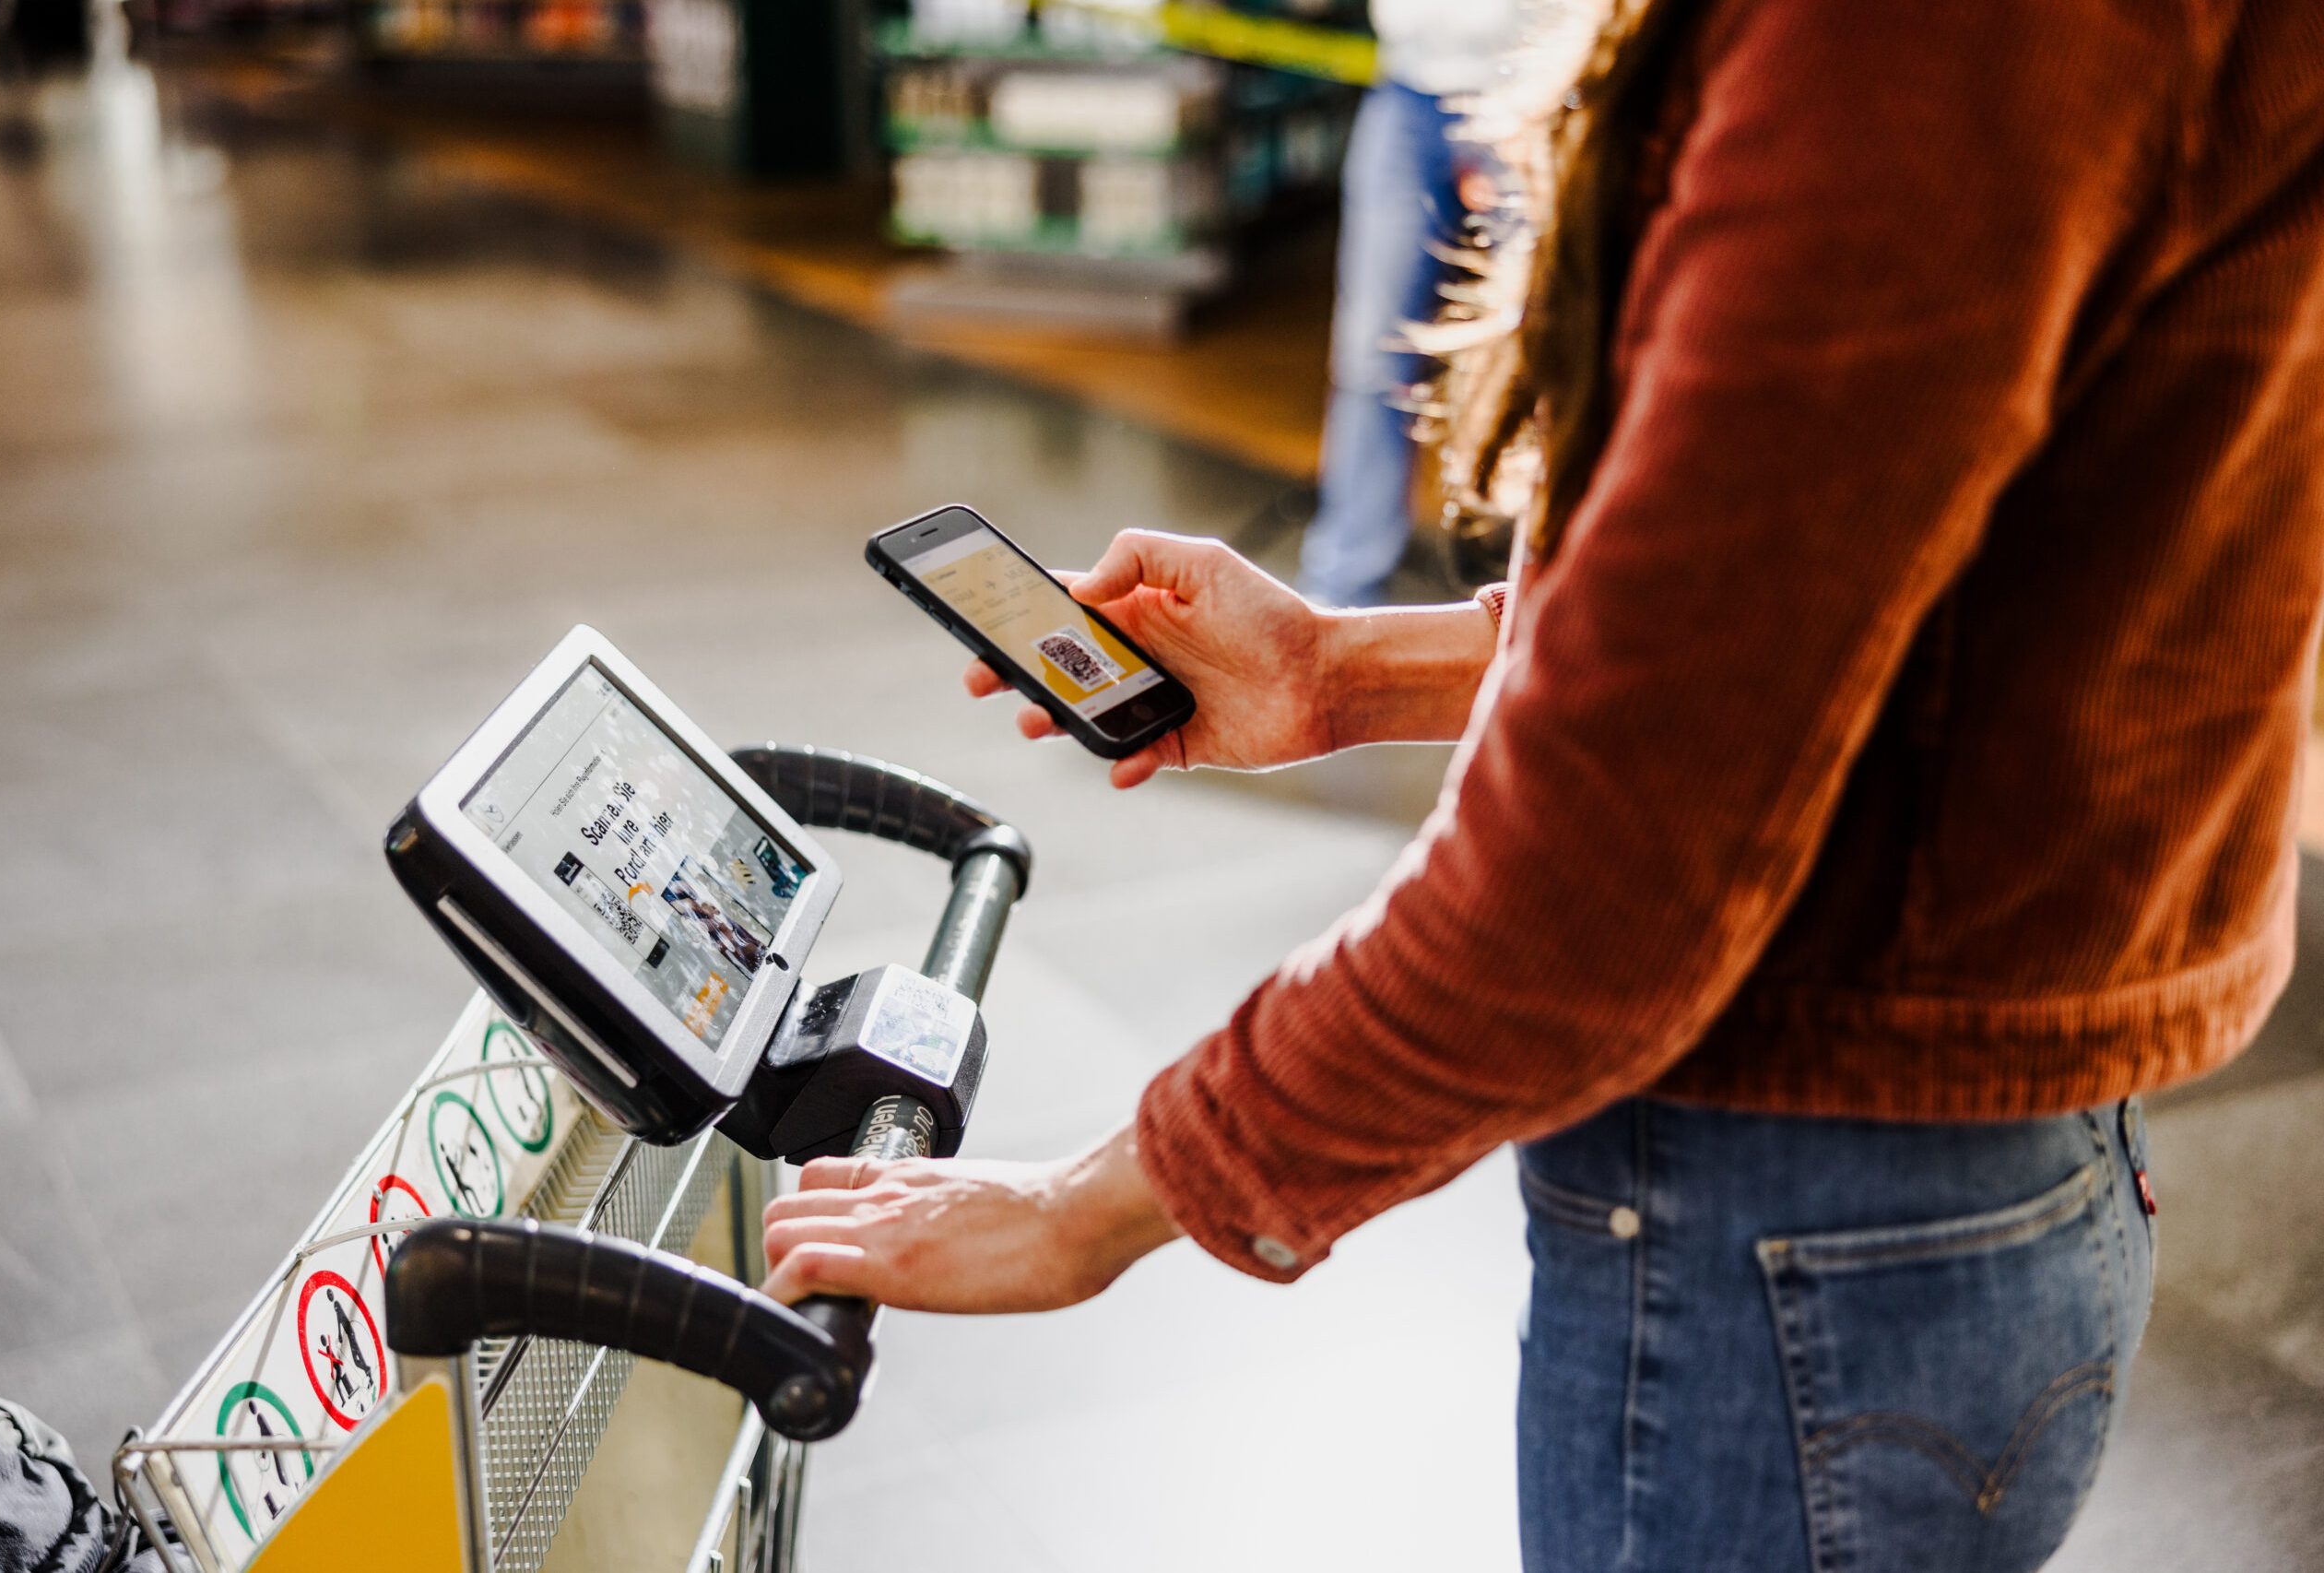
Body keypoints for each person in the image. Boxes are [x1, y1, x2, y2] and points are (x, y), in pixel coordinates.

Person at [763, 0, 2324, 1567]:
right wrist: (1342, 671)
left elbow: (1613, 864)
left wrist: (1097, 1202)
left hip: (1809, 1230)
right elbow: (1860, 598)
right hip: (1956, 1178)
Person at [1292, 0, 1524, 608]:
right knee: (1372, 355)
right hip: (1408, 89)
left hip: (1536, 85)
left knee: (1542, 356)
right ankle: (1341, 595)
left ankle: (1537, 596)